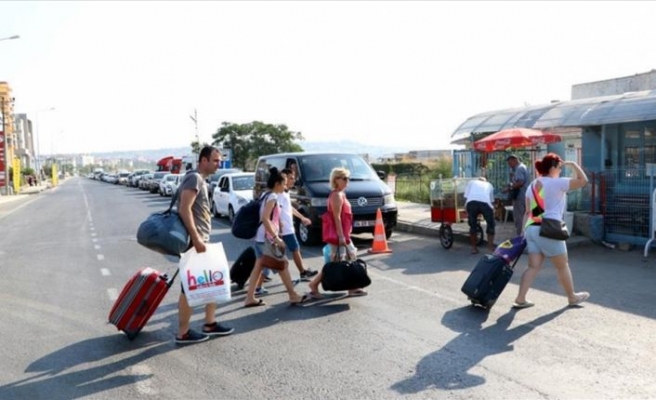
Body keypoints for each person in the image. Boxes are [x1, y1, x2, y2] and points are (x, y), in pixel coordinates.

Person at [512, 153, 590, 309]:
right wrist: (574, 165)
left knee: (533, 266)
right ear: (552, 167)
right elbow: (584, 181)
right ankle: (572, 297)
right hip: (549, 229)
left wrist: (522, 232)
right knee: (562, 265)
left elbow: (528, 211)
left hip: (531, 228)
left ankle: (520, 298)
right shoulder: (557, 183)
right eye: (559, 167)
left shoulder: (533, 185)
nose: (560, 170)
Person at [175, 146, 234, 344]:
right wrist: (197, 239)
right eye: (215, 161)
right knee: (188, 288)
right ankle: (183, 332)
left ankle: (210, 323)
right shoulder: (195, 178)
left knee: (212, 281)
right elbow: (185, 209)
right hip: (195, 241)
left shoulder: (201, 179)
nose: (219, 164)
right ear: (203, 160)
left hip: (201, 240)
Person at [243, 167, 309, 308]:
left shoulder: (266, 195)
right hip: (266, 238)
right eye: (284, 183)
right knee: (282, 264)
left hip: (261, 237)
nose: (286, 186)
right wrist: (276, 237)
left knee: (260, 266)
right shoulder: (272, 197)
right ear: (278, 184)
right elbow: (265, 219)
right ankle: (292, 295)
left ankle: (250, 297)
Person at [308, 167, 368, 299]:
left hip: (343, 234)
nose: (348, 181)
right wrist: (341, 236)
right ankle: (314, 284)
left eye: (348, 178)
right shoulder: (336, 195)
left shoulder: (341, 193)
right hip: (338, 235)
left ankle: (352, 287)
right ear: (336, 179)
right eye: (345, 178)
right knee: (335, 262)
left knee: (348, 258)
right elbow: (337, 217)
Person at [280, 167, 318, 281]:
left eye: (294, 178)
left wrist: (302, 217)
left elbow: (289, 208)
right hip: (284, 229)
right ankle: (303, 272)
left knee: (281, 254)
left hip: (287, 228)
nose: (293, 181)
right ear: (285, 178)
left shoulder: (285, 192)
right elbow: (275, 212)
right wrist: (279, 230)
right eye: (291, 178)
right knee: (291, 250)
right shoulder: (279, 193)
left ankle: (303, 271)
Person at [464, 177, 495, 254]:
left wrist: (466, 208)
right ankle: (490, 248)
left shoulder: (471, 182)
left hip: (471, 203)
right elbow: (491, 201)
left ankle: (474, 248)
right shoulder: (489, 185)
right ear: (485, 181)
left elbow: (466, 196)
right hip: (485, 203)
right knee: (491, 224)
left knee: (472, 225)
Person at [505, 155, 530, 236]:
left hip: (520, 196)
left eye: (510, 163)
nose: (509, 165)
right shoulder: (523, 167)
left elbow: (520, 182)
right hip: (525, 196)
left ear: (515, 160)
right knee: (525, 217)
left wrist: (509, 188)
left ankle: (520, 235)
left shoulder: (519, 169)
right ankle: (525, 234)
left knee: (519, 218)